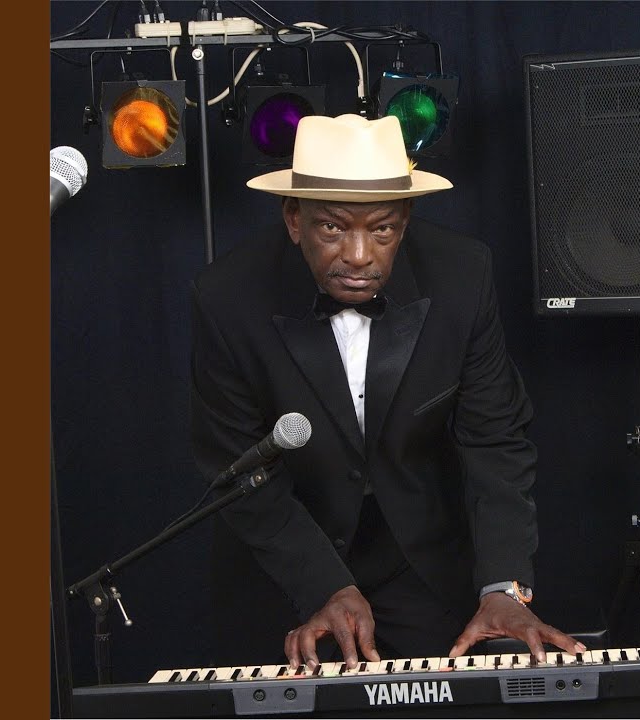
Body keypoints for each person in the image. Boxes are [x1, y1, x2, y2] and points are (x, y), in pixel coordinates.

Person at [190, 114, 582, 671]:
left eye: (382, 230)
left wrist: (504, 588)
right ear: (294, 218)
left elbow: (495, 440)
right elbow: (239, 471)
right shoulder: (227, 297)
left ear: (405, 220)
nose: (358, 255)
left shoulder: (462, 275)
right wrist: (324, 586)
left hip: (423, 566)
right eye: (332, 228)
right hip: (287, 569)